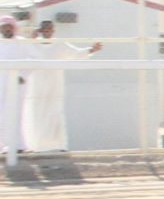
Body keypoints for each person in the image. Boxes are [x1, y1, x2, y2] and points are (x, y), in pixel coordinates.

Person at [25, 20, 103, 152]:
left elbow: (75, 53)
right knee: (36, 114)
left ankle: (57, 146)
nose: (47, 31)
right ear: (40, 30)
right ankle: (35, 145)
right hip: (36, 86)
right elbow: (23, 52)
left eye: (50, 29)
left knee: (54, 114)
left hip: (54, 85)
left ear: (53, 31)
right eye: (45, 29)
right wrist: (30, 40)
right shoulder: (33, 45)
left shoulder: (59, 45)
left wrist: (91, 50)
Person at [0, 17, 32, 159]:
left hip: (16, 83)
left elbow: (34, 59)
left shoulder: (22, 42)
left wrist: (23, 75)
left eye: (9, 27)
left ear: (14, 28)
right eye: (4, 27)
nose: (7, 29)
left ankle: (17, 145)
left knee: (15, 113)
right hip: (1, 82)